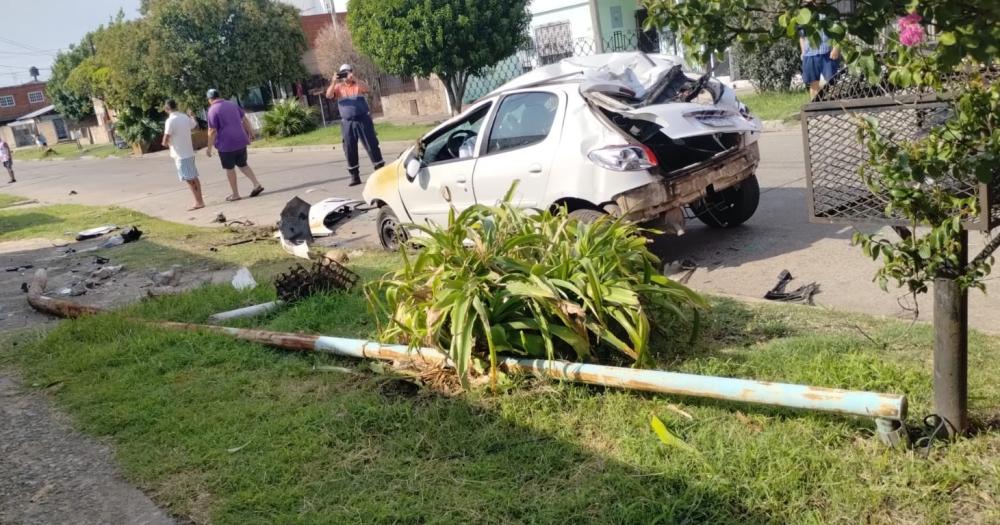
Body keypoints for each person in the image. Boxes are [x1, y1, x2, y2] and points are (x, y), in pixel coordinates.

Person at [325, 64, 384, 187]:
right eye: (343, 73)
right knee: (349, 148)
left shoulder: (358, 84)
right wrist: (333, 82)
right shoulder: (338, 87)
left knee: (371, 144)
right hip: (347, 122)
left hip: (363, 119)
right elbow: (328, 95)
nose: (345, 75)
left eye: (347, 72)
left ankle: (380, 171)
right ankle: (354, 176)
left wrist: (355, 79)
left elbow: (367, 88)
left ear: (351, 72)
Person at [205, 89, 264, 201]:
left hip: (226, 144)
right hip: (241, 140)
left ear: (210, 99)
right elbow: (244, 119)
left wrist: (209, 148)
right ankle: (256, 184)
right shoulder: (232, 104)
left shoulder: (212, 110)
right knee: (243, 164)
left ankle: (235, 194)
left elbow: (212, 131)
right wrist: (251, 132)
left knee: (229, 168)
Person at [161, 99, 205, 211]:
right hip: (189, 151)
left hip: (180, 153)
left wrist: (164, 143)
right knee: (193, 176)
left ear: (167, 109)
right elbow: (194, 125)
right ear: (176, 106)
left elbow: (166, 137)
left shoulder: (170, 121)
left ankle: (199, 202)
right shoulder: (184, 117)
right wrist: (192, 116)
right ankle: (199, 200)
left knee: (189, 179)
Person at [800, 29, 841, 99]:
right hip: (809, 53)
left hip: (828, 51)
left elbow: (839, 31)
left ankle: (834, 105)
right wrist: (803, 52)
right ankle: (815, 106)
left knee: (832, 82)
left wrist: (836, 47)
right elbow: (801, 35)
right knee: (813, 84)